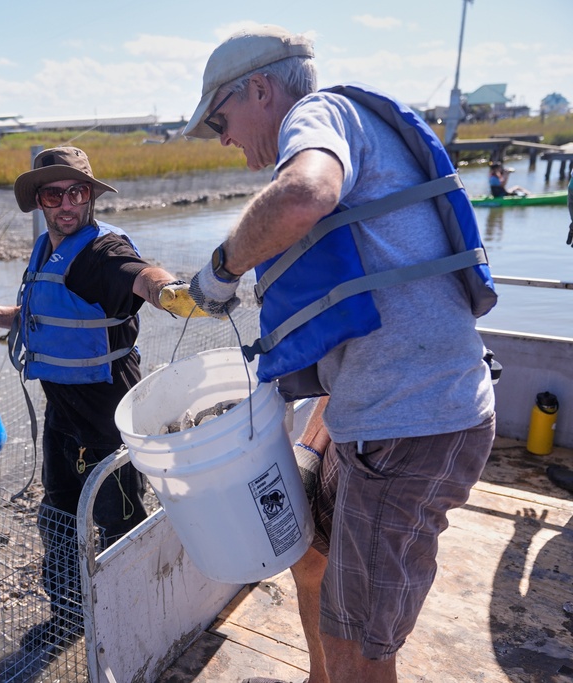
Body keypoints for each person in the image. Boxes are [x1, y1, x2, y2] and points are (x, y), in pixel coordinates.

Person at [183, 26, 497, 683]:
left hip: (411, 424)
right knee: (311, 556)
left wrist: (221, 269)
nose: (222, 136)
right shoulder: (347, 129)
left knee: (359, 648)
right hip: (372, 413)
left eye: (221, 117)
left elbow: (305, 195)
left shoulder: (316, 114)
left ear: (261, 90)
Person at [0, 146, 203, 657]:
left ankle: (139, 617)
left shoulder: (103, 252)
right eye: (53, 193)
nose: (66, 204)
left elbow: (140, 274)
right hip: (62, 415)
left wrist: (171, 291)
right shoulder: (46, 248)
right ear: (39, 200)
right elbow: (47, 310)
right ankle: (70, 612)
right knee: (57, 511)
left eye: (77, 192)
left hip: (108, 421)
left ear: (90, 195)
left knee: (120, 520)